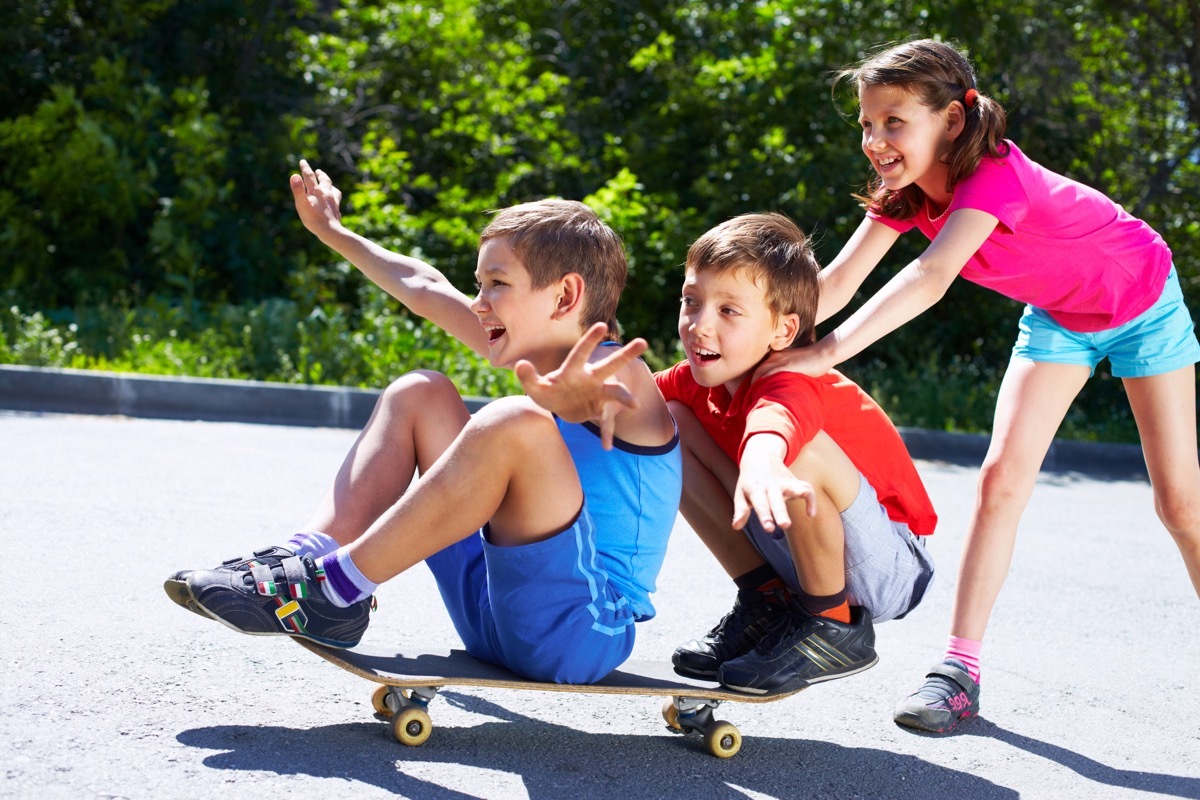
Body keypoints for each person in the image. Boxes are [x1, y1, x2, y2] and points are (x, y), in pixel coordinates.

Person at [766, 38, 1200, 731]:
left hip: (1144, 301)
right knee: (999, 480)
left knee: (1179, 506)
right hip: (1060, 317)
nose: (875, 141)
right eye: (867, 124)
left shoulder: (992, 174)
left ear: (952, 120)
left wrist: (826, 353)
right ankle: (958, 673)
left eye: (894, 122)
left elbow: (932, 276)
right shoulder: (906, 192)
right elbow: (838, 282)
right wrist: (763, 335)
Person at [164, 160, 683, 685]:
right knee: (421, 392)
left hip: (581, 631)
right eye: (478, 284)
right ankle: (311, 561)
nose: (478, 304)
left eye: (497, 284)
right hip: (491, 608)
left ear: (565, 296)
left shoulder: (624, 373)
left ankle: (338, 587)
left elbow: (596, 396)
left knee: (513, 419)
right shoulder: (530, 348)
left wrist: (566, 404)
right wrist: (332, 232)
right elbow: (422, 286)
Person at [653, 212, 937, 695]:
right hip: (802, 551)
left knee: (798, 451)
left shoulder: (793, 379)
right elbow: (633, 400)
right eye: (692, 302)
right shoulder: (697, 379)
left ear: (783, 332)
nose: (700, 325)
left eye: (729, 311)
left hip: (888, 568)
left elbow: (778, 421)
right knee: (664, 421)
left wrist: (763, 458)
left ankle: (832, 625)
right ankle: (767, 601)